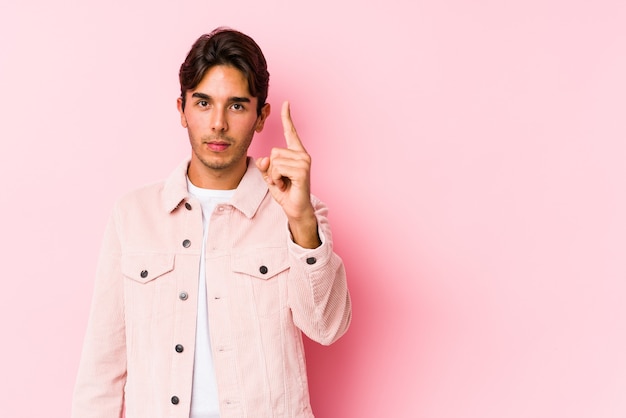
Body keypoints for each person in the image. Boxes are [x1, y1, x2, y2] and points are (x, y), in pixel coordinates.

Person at [71, 27, 352, 418]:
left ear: (260, 116)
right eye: (203, 103)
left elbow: (327, 327)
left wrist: (301, 220)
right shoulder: (132, 215)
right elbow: (102, 365)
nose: (218, 123)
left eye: (236, 105)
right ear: (182, 110)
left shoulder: (300, 212)